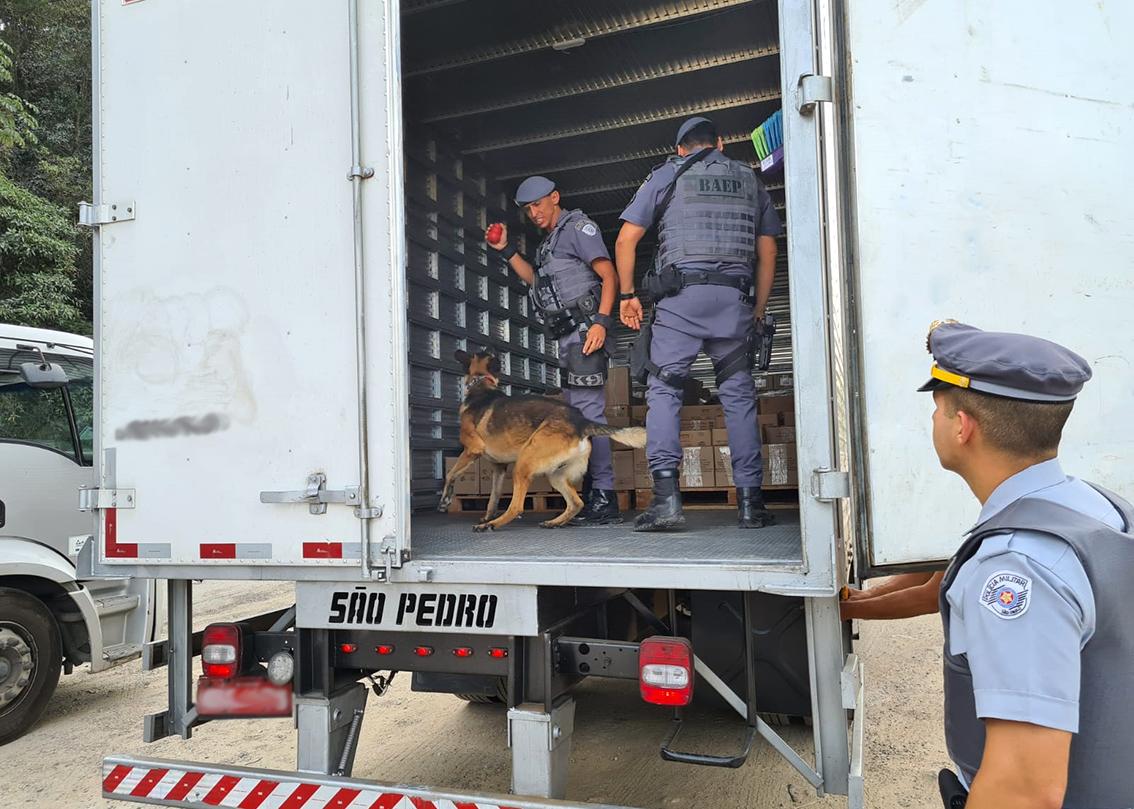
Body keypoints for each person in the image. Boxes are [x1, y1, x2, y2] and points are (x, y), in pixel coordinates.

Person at [882, 320, 1132, 808]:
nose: (934, 422)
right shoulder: (1102, 508)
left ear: (962, 426)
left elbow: (1025, 787)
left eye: (937, 409)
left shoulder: (1017, 566)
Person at [615, 116, 780, 531]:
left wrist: (627, 296)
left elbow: (625, 239)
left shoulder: (668, 175)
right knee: (738, 396)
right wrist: (757, 309)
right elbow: (768, 252)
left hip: (681, 303)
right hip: (733, 302)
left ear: (681, 149)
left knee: (665, 390)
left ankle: (667, 502)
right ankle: (750, 504)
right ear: (720, 144)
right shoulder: (749, 179)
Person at [486, 176, 621, 525]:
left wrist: (601, 323)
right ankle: (592, 496)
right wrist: (506, 250)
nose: (533, 213)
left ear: (555, 198)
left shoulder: (578, 228)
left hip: (585, 333)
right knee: (574, 418)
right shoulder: (549, 244)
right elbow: (534, 280)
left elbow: (609, 275)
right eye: (528, 209)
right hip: (567, 339)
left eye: (538, 205)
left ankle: (604, 496)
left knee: (588, 417)